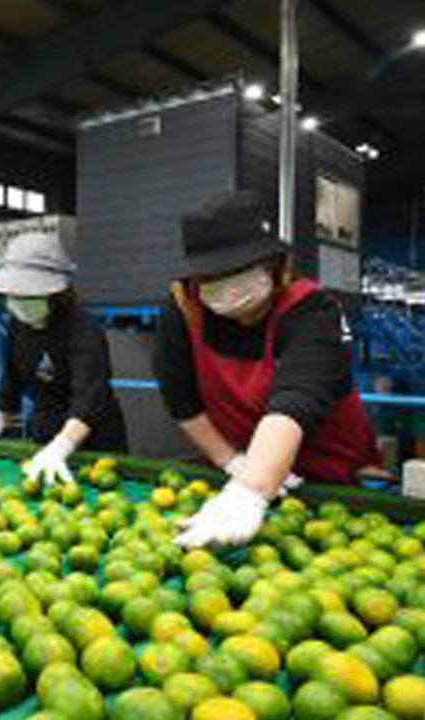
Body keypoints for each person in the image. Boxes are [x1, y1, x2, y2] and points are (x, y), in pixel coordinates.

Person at [153, 191, 380, 549]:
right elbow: (183, 403)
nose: (226, 285)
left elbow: (295, 399)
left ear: (275, 265)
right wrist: (232, 463)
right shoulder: (183, 309)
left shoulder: (312, 310)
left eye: (240, 269)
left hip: (330, 476)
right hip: (246, 464)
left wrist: (250, 492)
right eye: (212, 275)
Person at [0, 232, 128, 485]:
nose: (17, 302)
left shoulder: (83, 329)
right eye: (13, 295)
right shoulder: (18, 325)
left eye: (27, 295)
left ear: (55, 294)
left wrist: (62, 447)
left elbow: (89, 398)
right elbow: (10, 381)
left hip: (94, 441)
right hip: (45, 432)